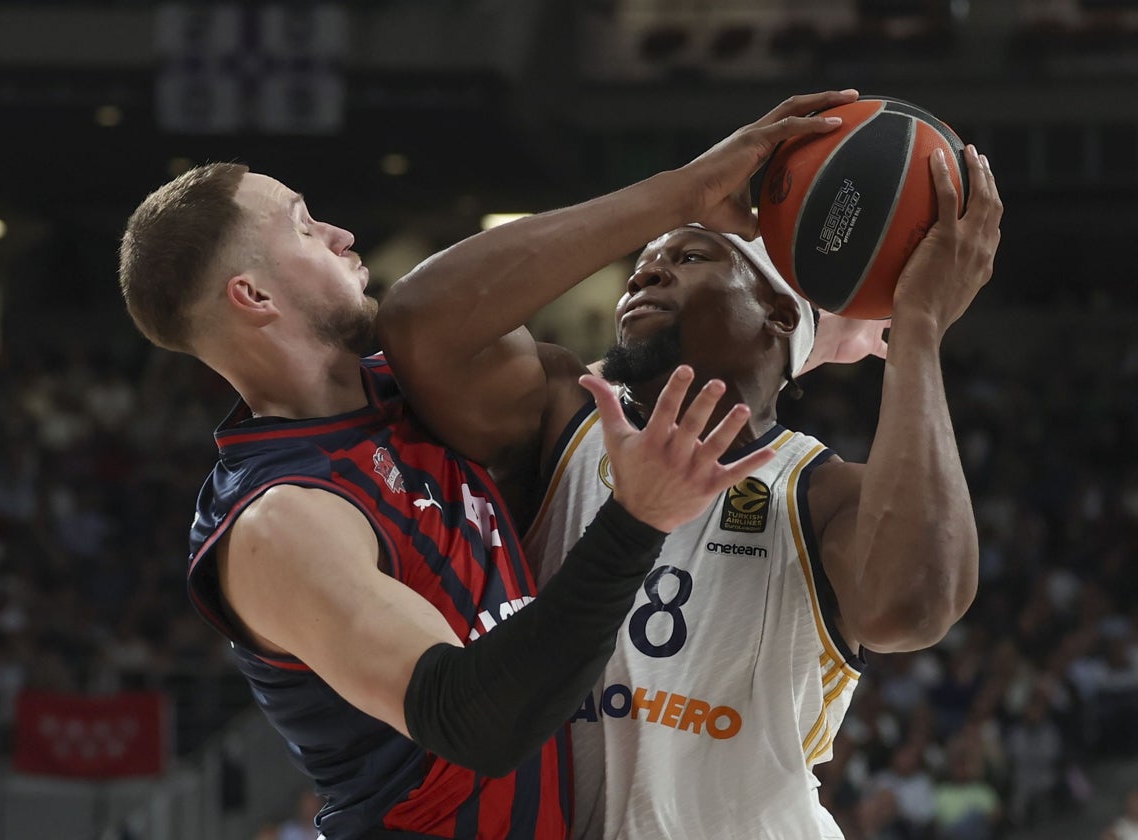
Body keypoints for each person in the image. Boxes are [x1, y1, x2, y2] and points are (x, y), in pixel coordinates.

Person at [377, 89, 1003, 838]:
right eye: (642, 263)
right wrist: (679, 194)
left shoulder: (825, 491)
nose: (646, 272)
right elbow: (419, 323)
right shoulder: (558, 416)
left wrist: (920, 329)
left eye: (690, 255)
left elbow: (914, 607)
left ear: (777, 314)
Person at [117, 163, 778, 839]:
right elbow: (474, 723)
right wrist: (635, 522)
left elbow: (628, 388)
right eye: (304, 225)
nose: (341, 234)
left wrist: (805, 332)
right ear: (253, 294)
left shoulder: (409, 393)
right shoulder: (278, 520)